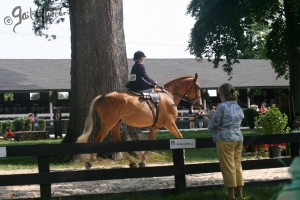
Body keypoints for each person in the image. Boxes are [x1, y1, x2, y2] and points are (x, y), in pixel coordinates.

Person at [208, 83, 244, 200]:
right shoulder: (238, 106)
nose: (219, 96)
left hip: (225, 139)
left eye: (219, 94)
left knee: (228, 166)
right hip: (238, 138)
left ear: (222, 94)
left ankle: (230, 194)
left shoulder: (222, 107)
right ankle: (240, 192)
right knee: (237, 164)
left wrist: (211, 119)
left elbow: (213, 125)